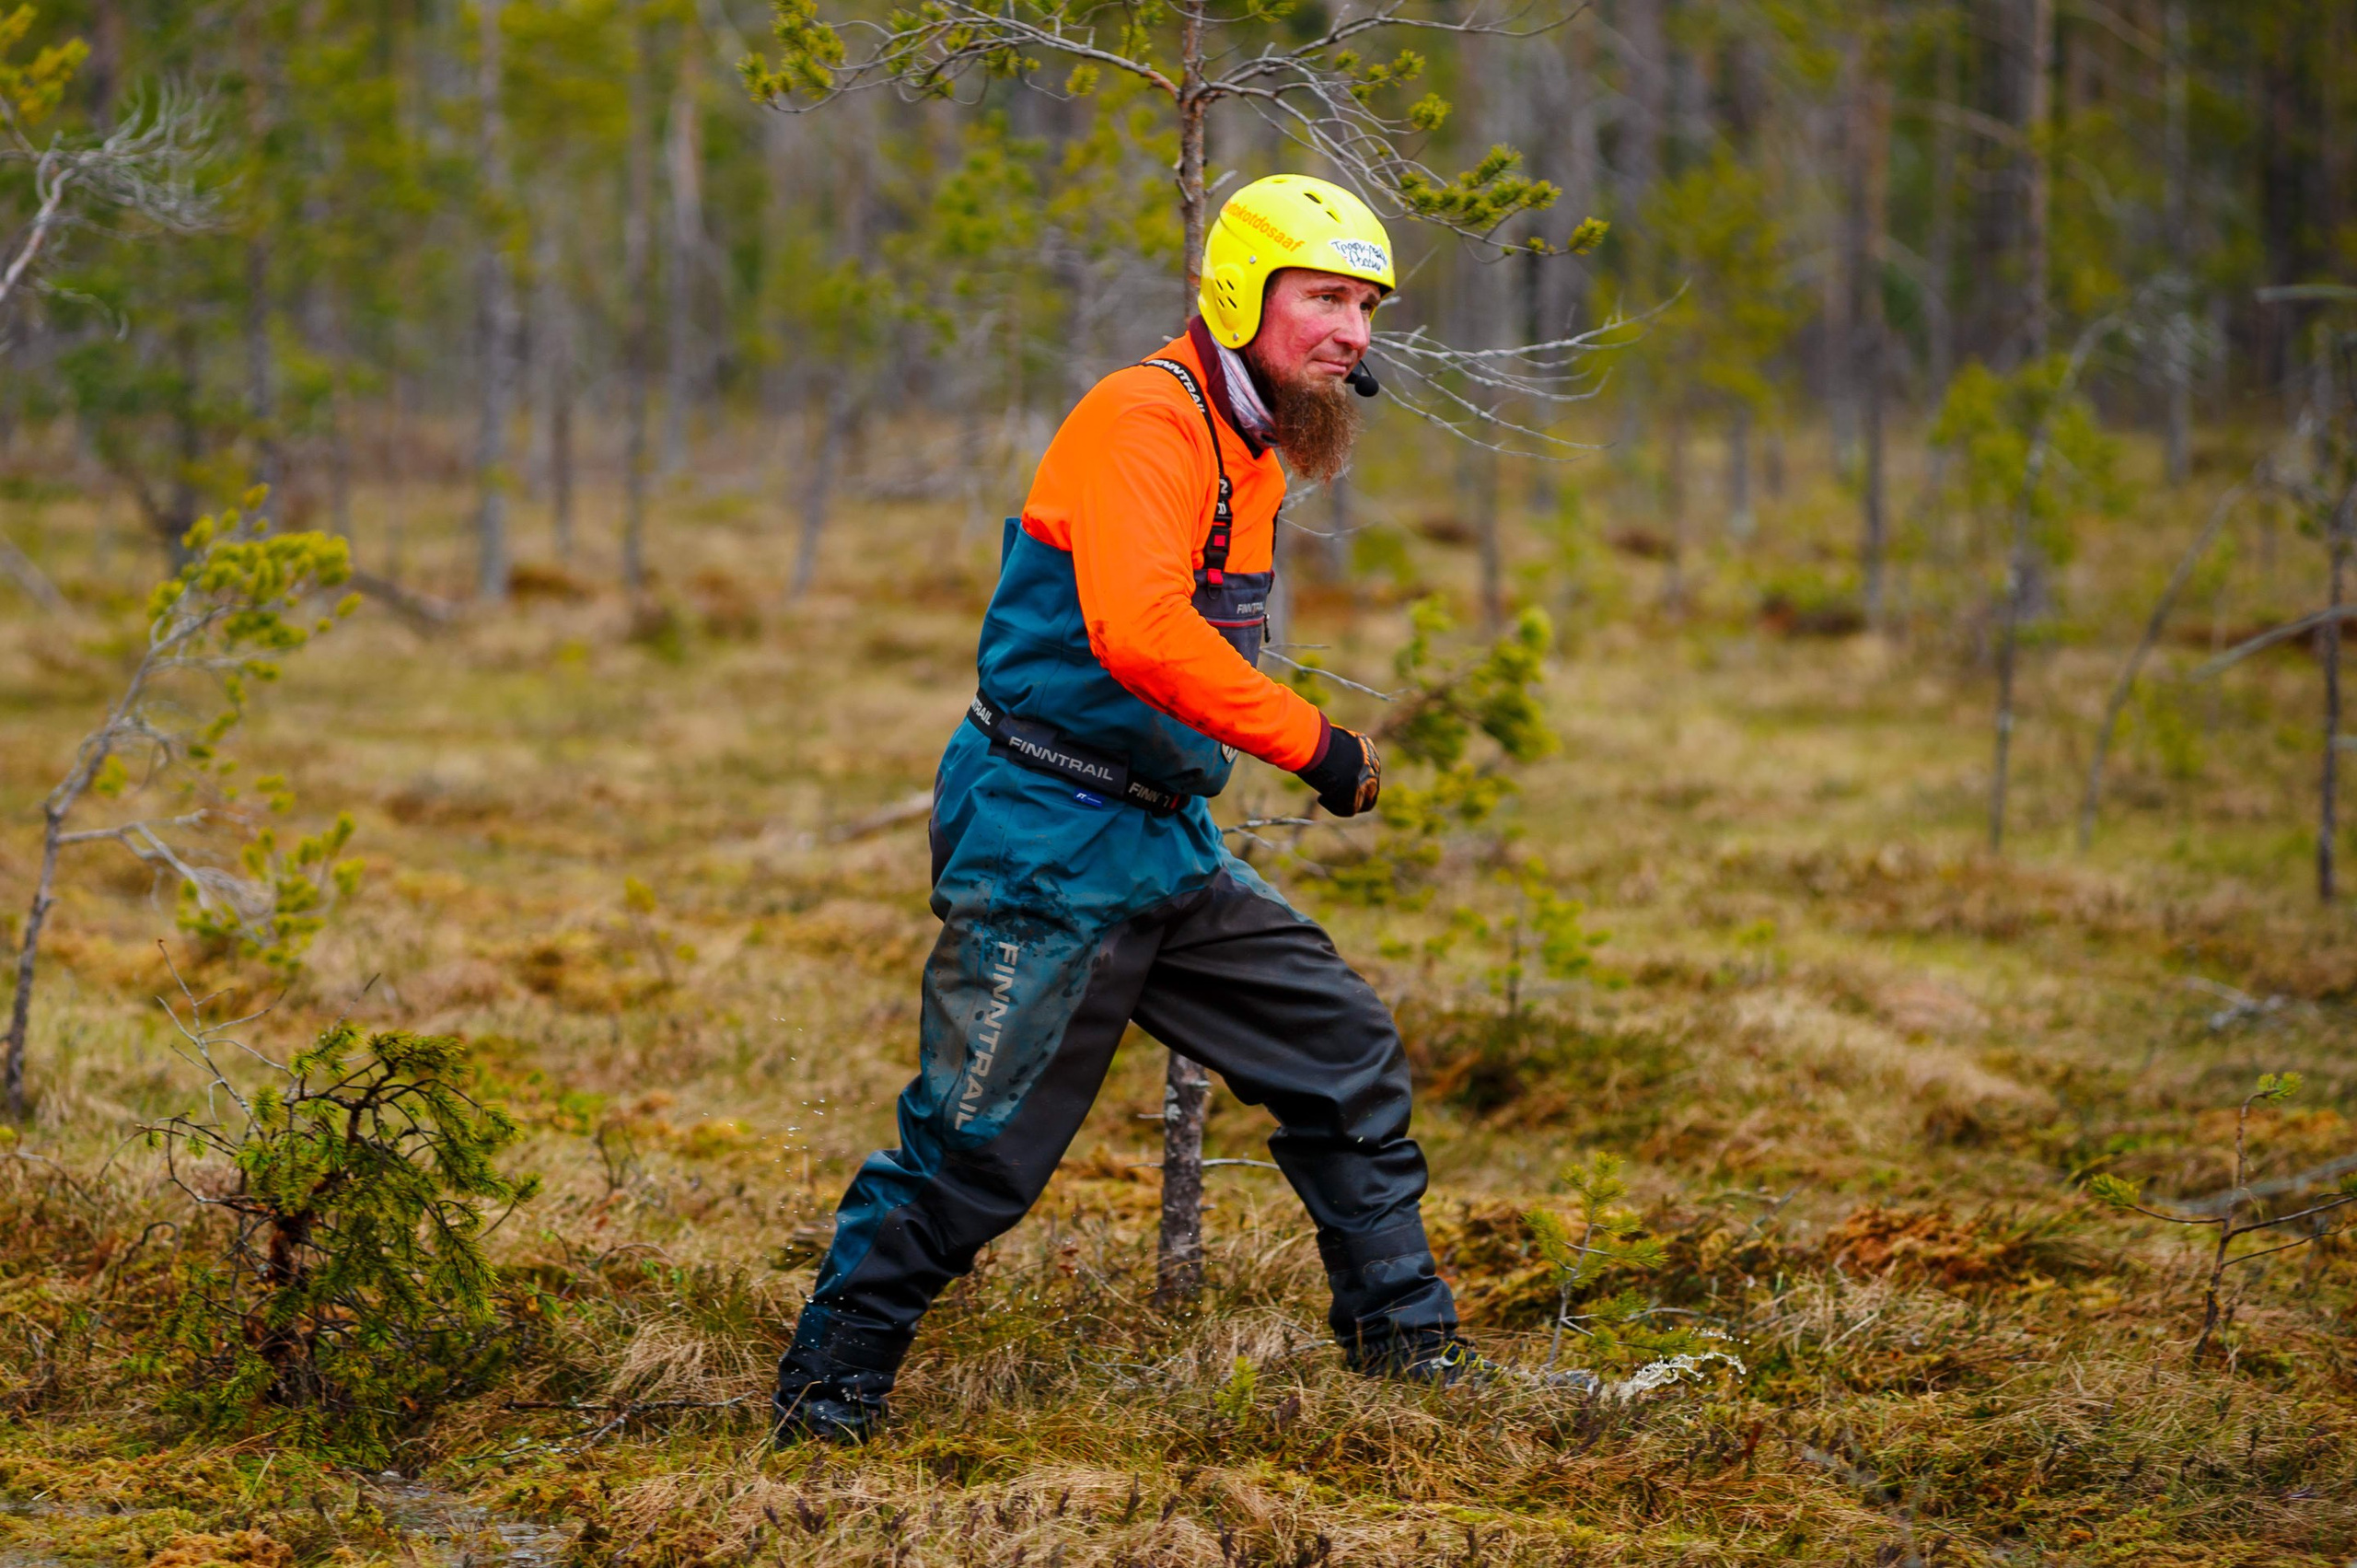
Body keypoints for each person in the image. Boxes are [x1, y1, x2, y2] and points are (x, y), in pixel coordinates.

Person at [774, 174, 1559, 1446]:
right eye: (1323, 297)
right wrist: (1313, 744)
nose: (1351, 330)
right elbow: (1137, 632)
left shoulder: (1259, 442)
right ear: (1244, 293)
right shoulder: (1150, 417)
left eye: (1365, 305)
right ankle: (825, 1397)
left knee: (1342, 1053)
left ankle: (1409, 1354)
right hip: (1046, 834)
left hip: (1158, 843)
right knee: (975, 1149)